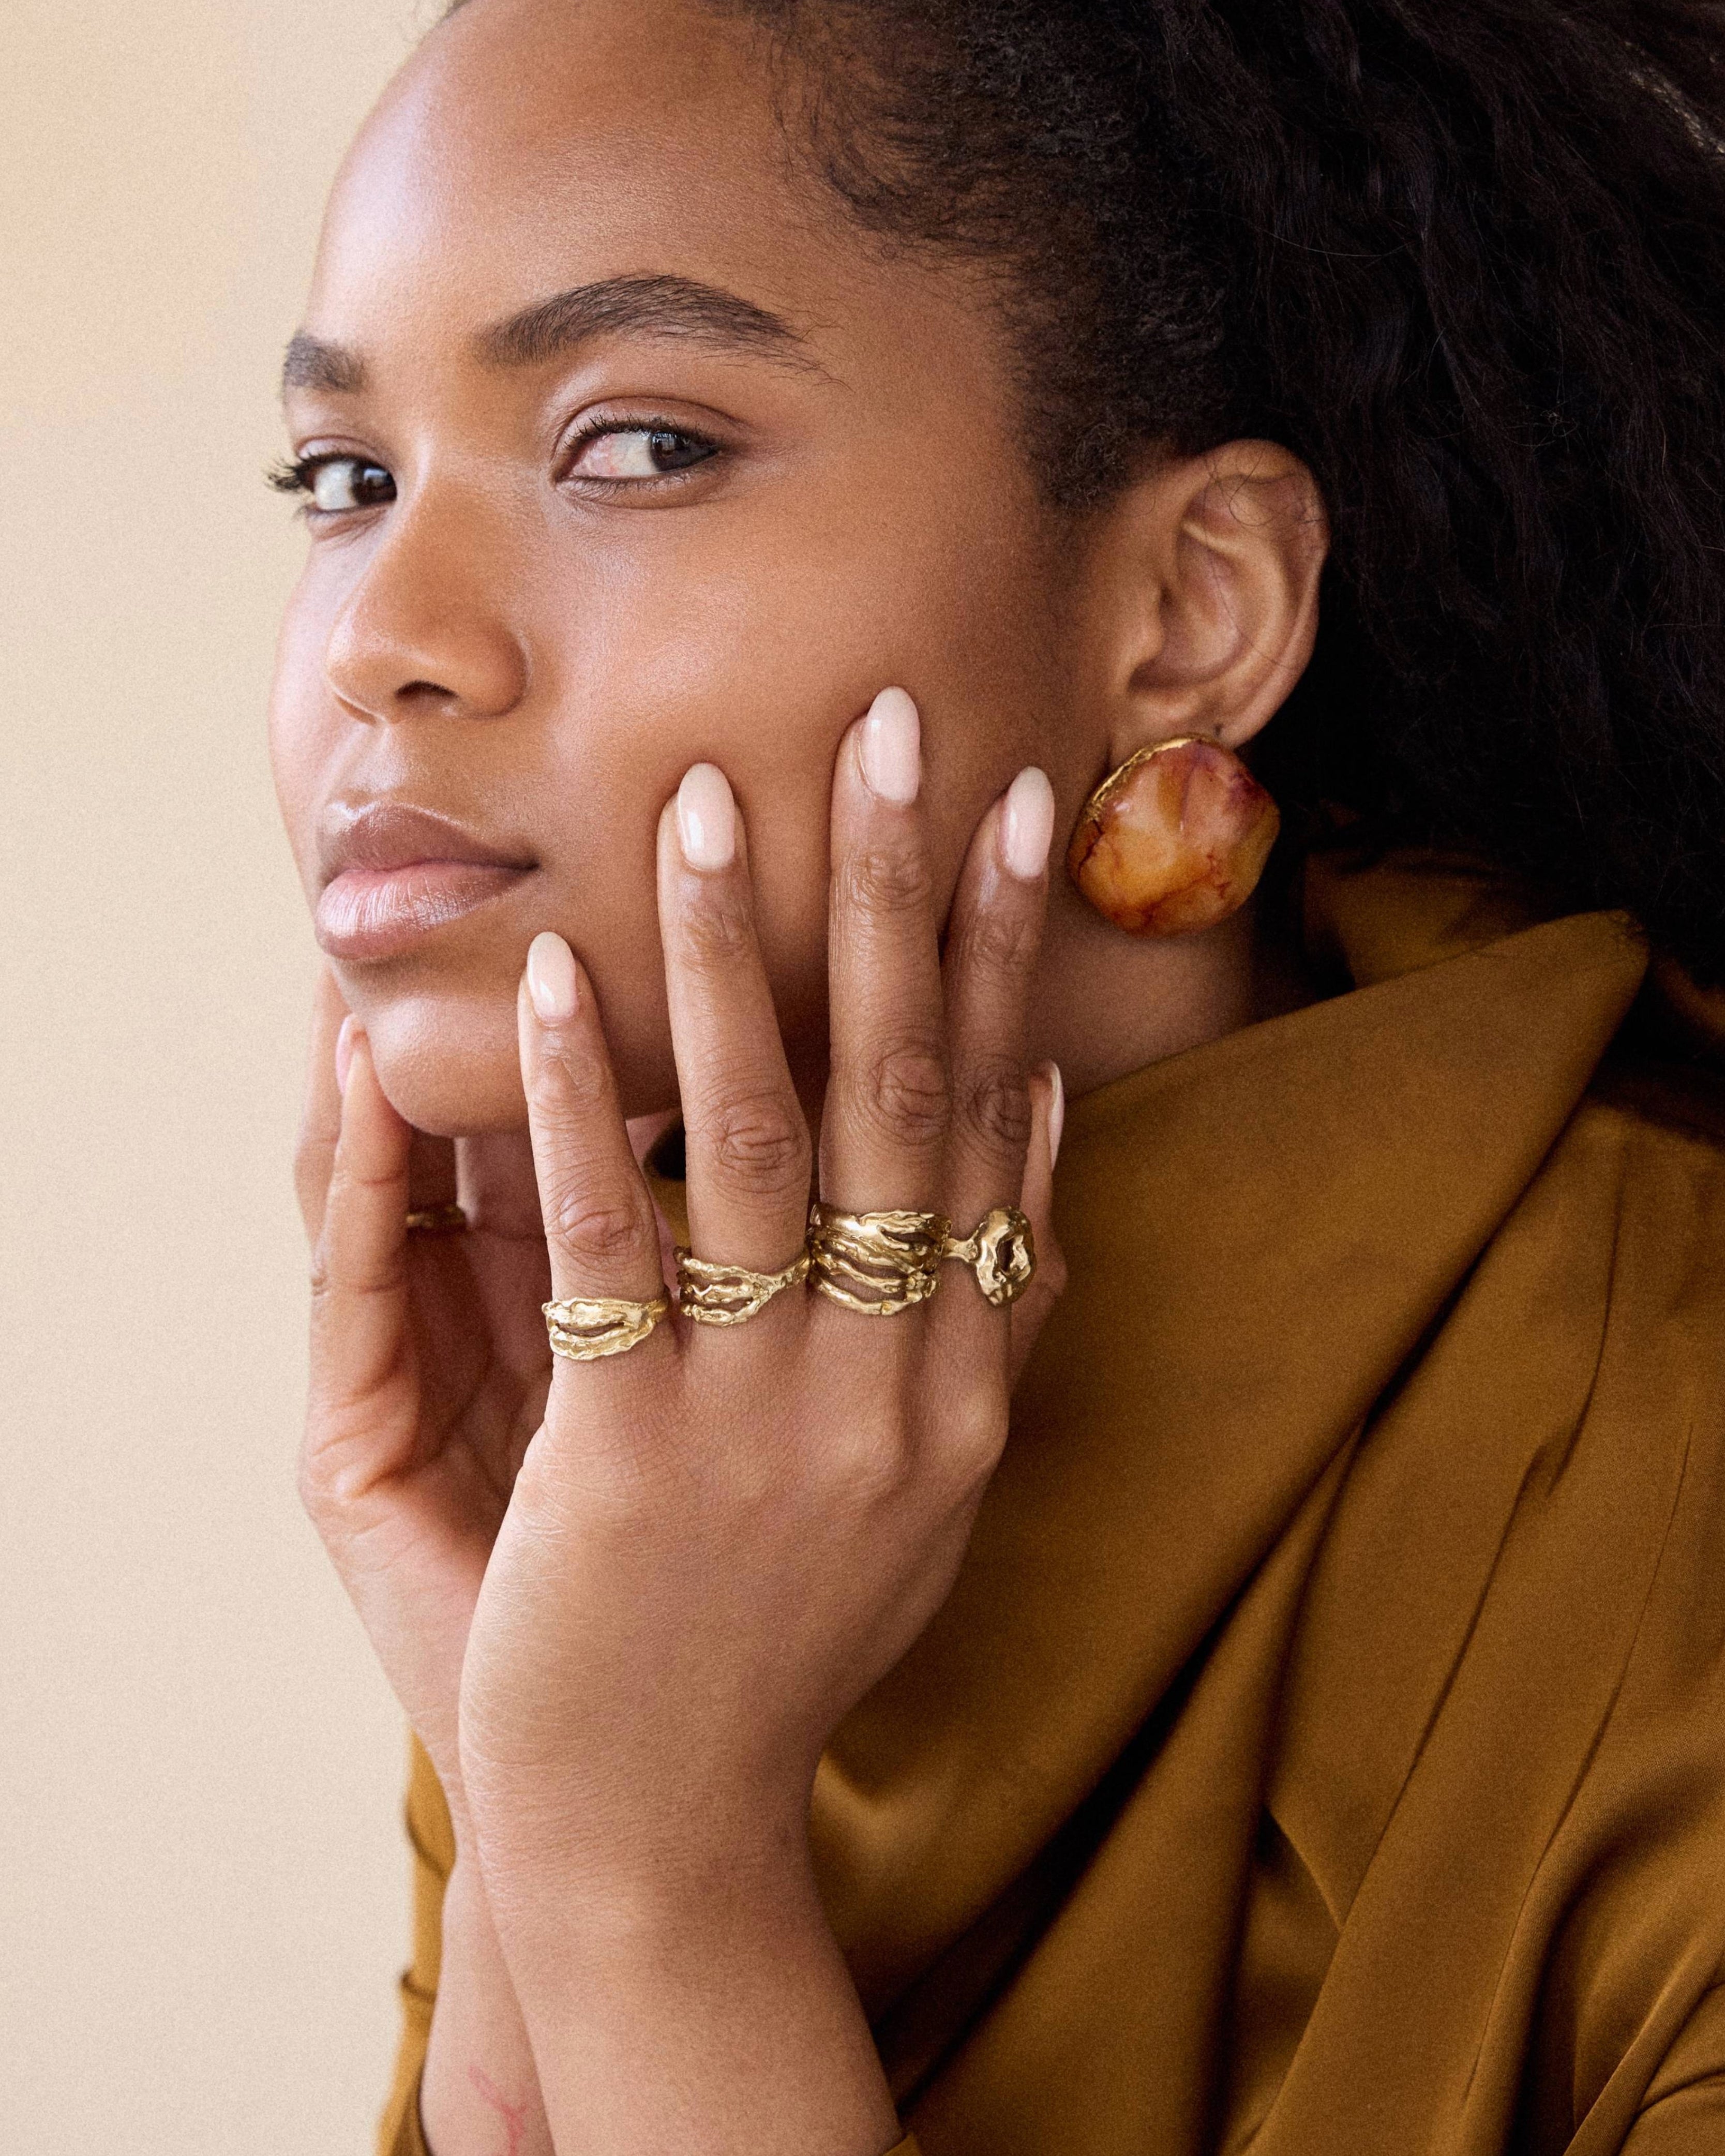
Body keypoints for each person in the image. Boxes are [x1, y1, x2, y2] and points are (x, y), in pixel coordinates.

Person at [268, 0, 1725, 2149]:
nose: (388, 633)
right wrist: (530, 1777)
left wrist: (649, 1887)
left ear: (1189, 609)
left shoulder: (1661, 1448)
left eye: (636, 444)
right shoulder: (659, 1450)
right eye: (341, 480)